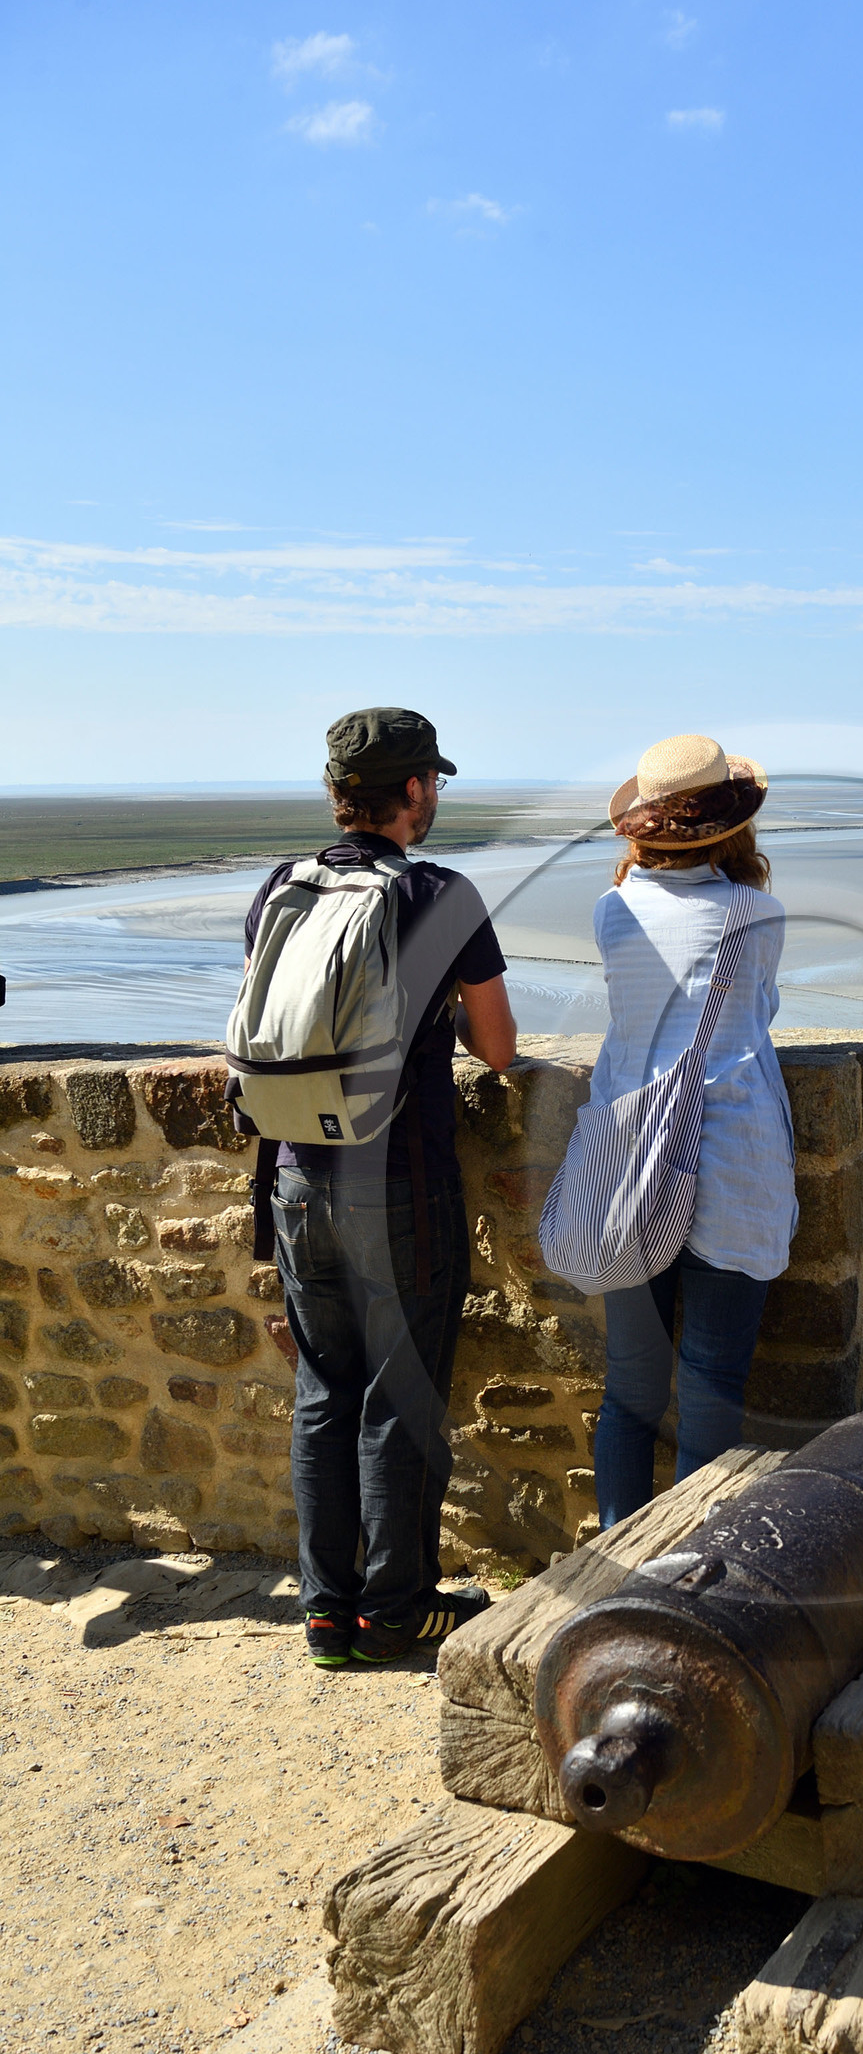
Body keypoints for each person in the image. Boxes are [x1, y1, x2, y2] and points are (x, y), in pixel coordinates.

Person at [243, 708, 518, 1668]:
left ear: (335, 794)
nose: (435, 794)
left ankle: (327, 1614)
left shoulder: (283, 887)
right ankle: (396, 1610)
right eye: (432, 780)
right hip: (399, 1181)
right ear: (412, 791)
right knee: (399, 1397)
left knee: (323, 1392)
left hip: (292, 1174)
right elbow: (499, 1047)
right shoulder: (439, 893)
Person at [588, 733, 799, 1526]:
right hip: (729, 1156)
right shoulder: (757, 914)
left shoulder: (612, 912)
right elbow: (758, 1011)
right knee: (711, 1380)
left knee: (631, 1384)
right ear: (733, 827)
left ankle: (616, 1546)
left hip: (629, 1157)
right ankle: (686, 1552)